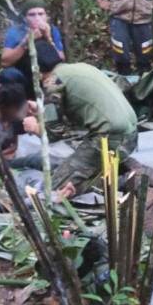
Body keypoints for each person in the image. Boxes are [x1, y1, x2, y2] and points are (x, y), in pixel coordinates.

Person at [21, 50, 142, 199]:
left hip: (109, 138)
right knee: (76, 171)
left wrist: (34, 127)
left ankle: (124, 180)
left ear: (37, 73)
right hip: (130, 135)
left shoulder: (53, 81)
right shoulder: (79, 68)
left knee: (54, 188)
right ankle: (119, 171)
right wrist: (42, 111)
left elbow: (54, 133)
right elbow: (77, 112)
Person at [0, 0, 66, 99]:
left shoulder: (52, 30)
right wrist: (26, 42)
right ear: (25, 18)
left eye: (40, 14)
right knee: (8, 75)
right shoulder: (16, 31)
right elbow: (5, 62)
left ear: (46, 16)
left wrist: (48, 38)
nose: (37, 18)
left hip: (49, 76)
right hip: (26, 75)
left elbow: (61, 58)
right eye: (32, 15)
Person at [0, 83, 45, 170]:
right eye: (16, 108)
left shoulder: (15, 119)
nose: (20, 111)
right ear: (3, 107)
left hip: (11, 155)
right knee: (34, 160)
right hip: (1, 164)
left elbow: (15, 146)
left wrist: (38, 114)